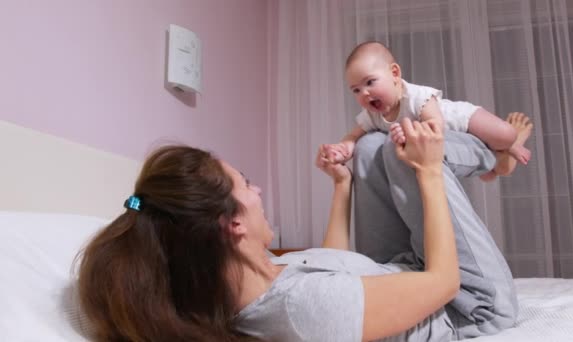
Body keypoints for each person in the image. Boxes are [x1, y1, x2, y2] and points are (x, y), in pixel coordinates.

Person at [77, 118, 517, 341]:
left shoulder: (252, 279)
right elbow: (443, 282)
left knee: (366, 151)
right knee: (395, 147)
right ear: (231, 224)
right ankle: (497, 154)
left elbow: (335, 270)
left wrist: (342, 187)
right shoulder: (298, 312)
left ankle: (474, 155)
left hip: (401, 270)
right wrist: (429, 172)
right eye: (247, 185)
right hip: (467, 307)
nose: (259, 190)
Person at [323, 41, 533, 181]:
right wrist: (344, 147)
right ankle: (502, 159)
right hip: (456, 143)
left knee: (504, 134)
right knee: (488, 175)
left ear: (394, 73)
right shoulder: (372, 115)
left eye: (370, 82)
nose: (365, 93)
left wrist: (409, 131)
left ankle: (512, 143)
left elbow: (436, 125)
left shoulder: (416, 96)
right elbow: (354, 135)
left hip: (463, 121)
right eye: (356, 90)